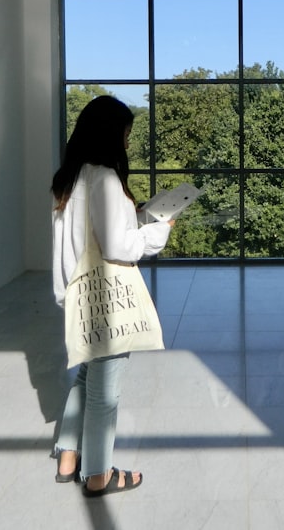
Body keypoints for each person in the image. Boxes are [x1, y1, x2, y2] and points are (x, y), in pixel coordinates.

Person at [50, 95, 173, 497]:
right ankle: (99, 473)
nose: (126, 143)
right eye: (125, 134)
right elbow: (119, 247)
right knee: (106, 389)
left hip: (77, 293)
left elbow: (88, 234)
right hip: (106, 299)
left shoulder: (69, 178)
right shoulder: (104, 177)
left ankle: (69, 454)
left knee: (85, 374)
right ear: (110, 134)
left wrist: (132, 217)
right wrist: (160, 228)